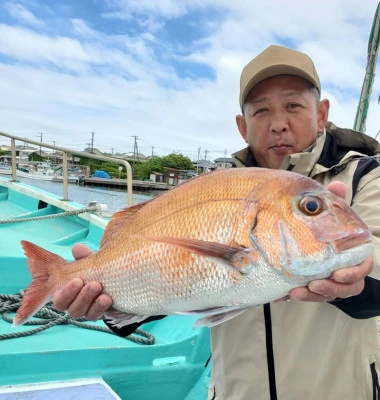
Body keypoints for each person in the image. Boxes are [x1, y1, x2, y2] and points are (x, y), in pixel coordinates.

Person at [53, 45, 380, 399]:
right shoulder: (211, 189)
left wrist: (357, 288)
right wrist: (108, 302)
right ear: (243, 126)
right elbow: (171, 280)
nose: (278, 123)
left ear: (321, 114)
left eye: (293, 105)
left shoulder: (366, 177)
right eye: (261, 110)